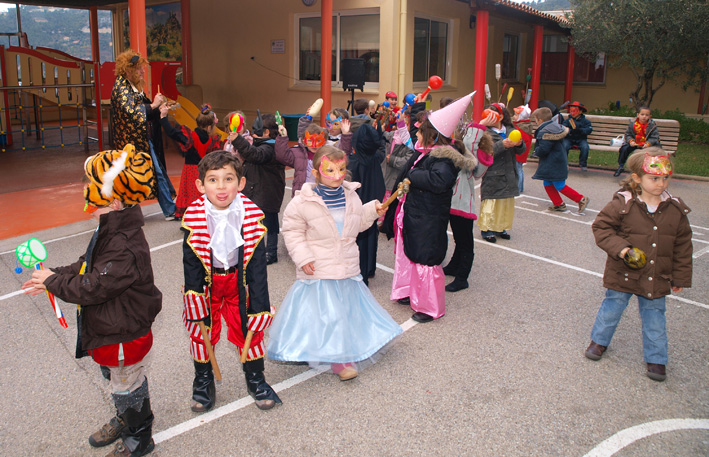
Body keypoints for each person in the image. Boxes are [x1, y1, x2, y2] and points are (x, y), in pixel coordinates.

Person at [22, 145, 163, 456]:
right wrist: (51, 275)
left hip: (124, 333)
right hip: (111, 327)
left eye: (90, 184)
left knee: (128, 382)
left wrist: (54, 282)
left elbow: (92, 286)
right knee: (118, 379)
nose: (84, 189)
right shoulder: (111, 228)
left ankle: (139, 437)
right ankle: (124, 416)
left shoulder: (124, 244)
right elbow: (87, 264)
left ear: (112, 198)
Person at [267, 145, 401, 381]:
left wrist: (372, 211)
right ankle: (315, 349)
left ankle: (341, 358)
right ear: (317, 172)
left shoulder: (351, 195)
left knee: (342, 316)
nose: (338, 175)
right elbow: (292, 232)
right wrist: (303, 257)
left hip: (346, 267)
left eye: (341, 169)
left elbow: (356, 225)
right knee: (318, 315)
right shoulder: (302, 202)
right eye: (330, 169)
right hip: (319, 267)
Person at [181, 150, 281, 412]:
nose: (222, 187)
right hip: (208, 283)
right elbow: (190, 261)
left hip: (238, 282)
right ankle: (203, 381)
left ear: (241, 183)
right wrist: (194, 297)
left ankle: (255, 378)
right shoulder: (193, 217)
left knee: (248, 328)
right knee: (201, 331)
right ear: (200, 185)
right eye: (213, 180)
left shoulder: (251, 216)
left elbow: (258, 266)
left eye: (228, 179)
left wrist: (260, 304)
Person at [584, 148, 692, 382]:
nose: (661, 184)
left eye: (665, 178)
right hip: (623, 273)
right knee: (611, 309)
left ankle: (657, 358)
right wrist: (622, 249)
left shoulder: (675, 209)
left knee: (655, 318)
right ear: (636, 178)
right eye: (654, 178)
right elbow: (601, 228)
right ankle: (599, 341)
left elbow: (683, 245)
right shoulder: (623, 203)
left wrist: (680, 277)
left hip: (657, 276)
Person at [382, 94, 472, 323]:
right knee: (412, 255)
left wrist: (412, 174)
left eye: (420, 132)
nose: (417, 135)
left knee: (426, 259)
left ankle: (431, 307)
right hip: (417, 215)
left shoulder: (444, 159)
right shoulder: (426, 154)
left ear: (430, 136)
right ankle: (410, 292)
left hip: (429, 218)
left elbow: (438, 181)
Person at [110, 49, 177, 220]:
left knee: (151, 171)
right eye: (139, 68)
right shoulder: (121, 87)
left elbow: (143, 111)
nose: (142, 72)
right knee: (140, 173)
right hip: (131, 142)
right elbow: (132, 112)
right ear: (128, 70)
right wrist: (153, 105)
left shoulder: (131, 86)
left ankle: (167, 209)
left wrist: (157, 109)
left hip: (141, 139)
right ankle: (166, 209)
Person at [443, 118, 494, 292]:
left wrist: (480, 124)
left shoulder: (470, 155)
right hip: (456, 202)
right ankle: (453, 266)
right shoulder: (469, 155)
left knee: (465, 242)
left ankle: (462, 277)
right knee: (459, 238)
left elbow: (469, 143)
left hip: (463, 204)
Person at [230, 111, 285, 265]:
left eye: (257, 130)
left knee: (270, 222)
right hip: (258, 189)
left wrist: (238, 140)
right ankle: (253, 248)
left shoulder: (270, 148)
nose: (254, 133)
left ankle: (271, 252)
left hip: (267, 191)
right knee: (253, 221)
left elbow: (254, 155)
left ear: (266, 132)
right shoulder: (264, 144)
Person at [159, 103, 223, 219]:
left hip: (190, 172)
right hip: (204, 172)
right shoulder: (212, 141)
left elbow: (172, 132)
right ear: (209, 127)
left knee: (189, 196)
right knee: (203, 195)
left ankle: (191, 218)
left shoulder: (190, 136)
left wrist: (163, 117)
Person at [478, 103, 526, 243]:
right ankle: (487, 229)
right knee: (491, 201)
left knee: (505, 202)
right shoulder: (485, 132)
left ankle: (500, 227)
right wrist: (502, 145)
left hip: (509, 171)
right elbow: (485, 152)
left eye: (493, 115)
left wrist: (519, 144)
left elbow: (521, 151)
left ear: (501, 116)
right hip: (493, 172)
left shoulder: (511, 129)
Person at [531, 107, 590, 213]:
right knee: (547, 182)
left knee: (559, 185)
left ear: (540, 120)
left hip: (553, 162)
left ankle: (581, 199)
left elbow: (544, 148)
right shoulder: (555, 127)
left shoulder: (544, 132)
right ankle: (558, 204)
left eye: (535, 119)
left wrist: (536, 152)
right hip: (557, 159)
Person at [348, 123, 386, 286]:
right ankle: (369, 268)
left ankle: (360, 273)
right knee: (372, 236)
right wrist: (378, 132)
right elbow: (381, 148)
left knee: (359, 240)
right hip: (374, 201)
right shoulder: (376, 157)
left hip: (359, 206)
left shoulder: (353, 162)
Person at [615, 106, 661, 176]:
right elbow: (628, 134)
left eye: (647, 115)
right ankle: (621, 166)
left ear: (650, 116)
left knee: (650, 152)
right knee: (624, 149)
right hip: (635, 144)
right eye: (642, 114)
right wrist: (631, 141)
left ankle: (649, 169)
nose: (644, 117)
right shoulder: (633, 124)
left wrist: (648, 143)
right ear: (638, 115)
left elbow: (654, 137)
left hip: (647, 145)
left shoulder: (652, 126)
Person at [561, 101, 593, 171]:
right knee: (564, 146)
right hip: (569, 138)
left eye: (575, 111)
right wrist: (570, 131)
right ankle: (564, 163)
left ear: (580, 111)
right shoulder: (567, 121)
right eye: (571, 111)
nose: (572, 113)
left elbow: (589, 130)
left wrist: (580, 130)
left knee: (585, 147)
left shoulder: (586, 121)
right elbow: (563, 128)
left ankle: (583, 164)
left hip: (581, 139)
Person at [511, 105, 534, 193]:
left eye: (516, 115)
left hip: (519, 152)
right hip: (522, 152)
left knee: (517, 170)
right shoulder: (525, 125)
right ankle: (519, 187)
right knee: (519, 169)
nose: (514, 117)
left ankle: (518, 188)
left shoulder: (521, 128)